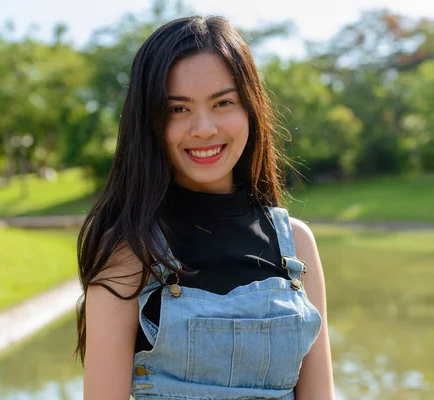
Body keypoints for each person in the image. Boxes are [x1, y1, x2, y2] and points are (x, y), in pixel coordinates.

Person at [74, 15, 334, 400]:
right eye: (178, 109)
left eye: (223, 102)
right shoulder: (129, 252)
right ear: (150, 121)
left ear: (250, 109)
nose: (204, 128)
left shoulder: (295, 244)